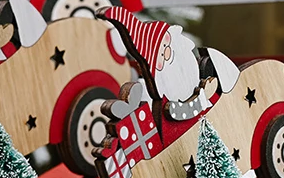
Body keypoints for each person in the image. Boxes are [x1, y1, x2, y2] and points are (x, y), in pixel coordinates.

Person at [98, 7, 239, 123]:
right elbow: (179, 111)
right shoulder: (173, 105)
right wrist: (203, 97)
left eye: (167, 46)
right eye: (162, 55)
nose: (167, 53)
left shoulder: (209, 68)